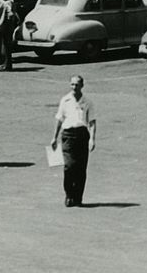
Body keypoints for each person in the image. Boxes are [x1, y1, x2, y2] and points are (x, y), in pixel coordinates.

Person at [50, 75, 97, 207]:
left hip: (82, 135)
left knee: (81, 168)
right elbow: (59, 119)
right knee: (69, 167)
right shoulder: (65, 100)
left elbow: (92, 122)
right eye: (72, 85)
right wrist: (54, 137)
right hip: (68, 135)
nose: (74, 87)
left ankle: (78, 196)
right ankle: (69, 194)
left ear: (82, 85)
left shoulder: (88, 102)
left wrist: (92, 139)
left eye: (77, 85)